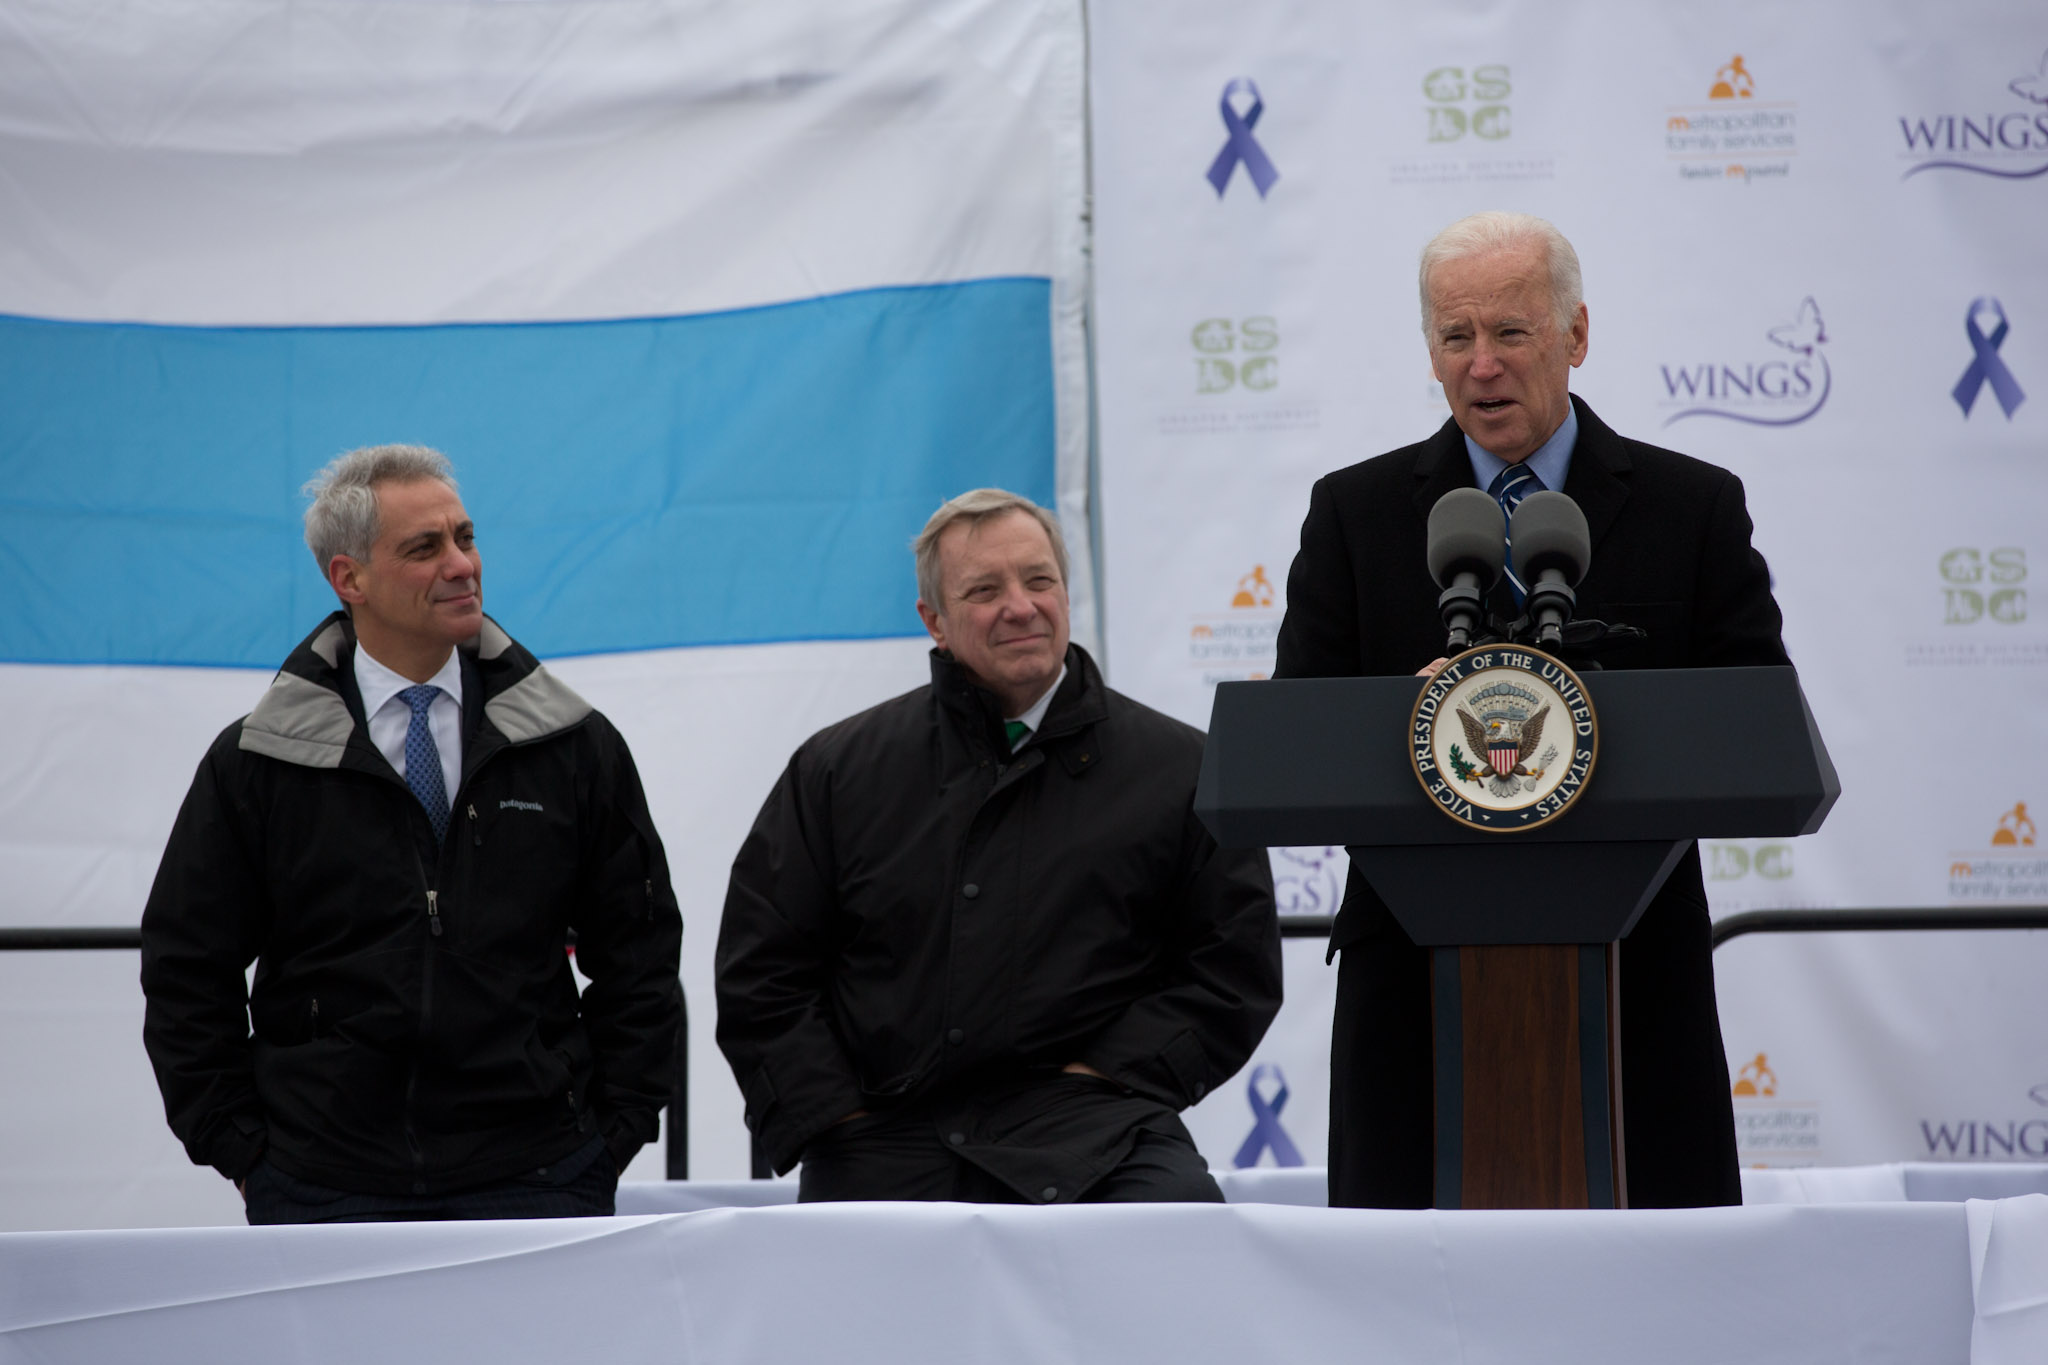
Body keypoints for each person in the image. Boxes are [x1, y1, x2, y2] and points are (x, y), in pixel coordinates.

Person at [1274, 211, 1789, 1209]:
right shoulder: (1355, 512)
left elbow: (1753, 718)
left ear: (1574, 336)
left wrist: (1597, 713)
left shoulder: (1690, 507)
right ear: (1428, 351)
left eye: (1509, 333)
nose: (1480, 366)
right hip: (1411, 978)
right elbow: (1297, 734)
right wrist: (1405, 719)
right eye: (1453, 338)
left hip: (1629, 973)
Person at [141, 444, 682, 1223]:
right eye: (425, 547)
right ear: (347, 577)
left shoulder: (572, 744)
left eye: (465, 537)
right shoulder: (256, 762)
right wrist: (244, 1149)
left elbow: (642, 952)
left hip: (539, 1178)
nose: (462, 564)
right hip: (322, 1186)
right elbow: (187, 969)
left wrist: (610, 1133)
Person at [716, 488, 1281, 1203]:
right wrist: (837, 1117)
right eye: (984, 590)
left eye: (1038, 579)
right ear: (935, 622)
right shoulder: (837, 771)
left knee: (1184, 1271)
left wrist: (1105, 1079)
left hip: (1100, 1136)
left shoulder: (1181, 769)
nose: (1020, 606)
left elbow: (1232, 967)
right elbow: (763, 970)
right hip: (884, 1140)